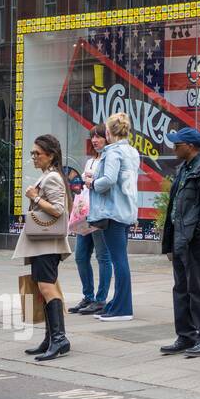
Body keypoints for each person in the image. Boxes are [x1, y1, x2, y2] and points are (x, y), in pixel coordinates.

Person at [159, 127, 200, 357]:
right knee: (181, 288)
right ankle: (185, 336)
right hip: (179, 237)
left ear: (191, 146)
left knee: (198, 289)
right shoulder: (185, 167)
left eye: (178, 143)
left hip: (194, 239)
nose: (174, 146)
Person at [17, 135, 74, 361]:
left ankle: (59, 339)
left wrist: (34, 198)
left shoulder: (51, 178)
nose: (33, 157)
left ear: (50, 155)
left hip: (46, 243)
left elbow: (59, 210)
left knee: (47, 288)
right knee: (43, 288)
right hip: (43, 243)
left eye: (37, 153)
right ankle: (51, 337)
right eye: (32, 153)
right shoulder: (50, 176)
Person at [89, 112, 141, 322]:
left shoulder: (112, 153)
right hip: (125, 210)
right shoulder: (132, 151)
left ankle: (122, 308)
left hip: (112, 212)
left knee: (119, 260)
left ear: (109, 132)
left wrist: (92, 183)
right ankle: (118, 304)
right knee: (120, 259)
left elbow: (109, 179)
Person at [70, 125, 112, 316]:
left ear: (107, 138)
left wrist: (93, 181)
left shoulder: (109, 159)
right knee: (80, 255)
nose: (95, 140)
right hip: (85, 214)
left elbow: (107, 183)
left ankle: (100, 299)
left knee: (103, 256)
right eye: (92, 137)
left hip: (100, 214)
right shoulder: (89, 162)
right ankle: (88, 296)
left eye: (99, 136)